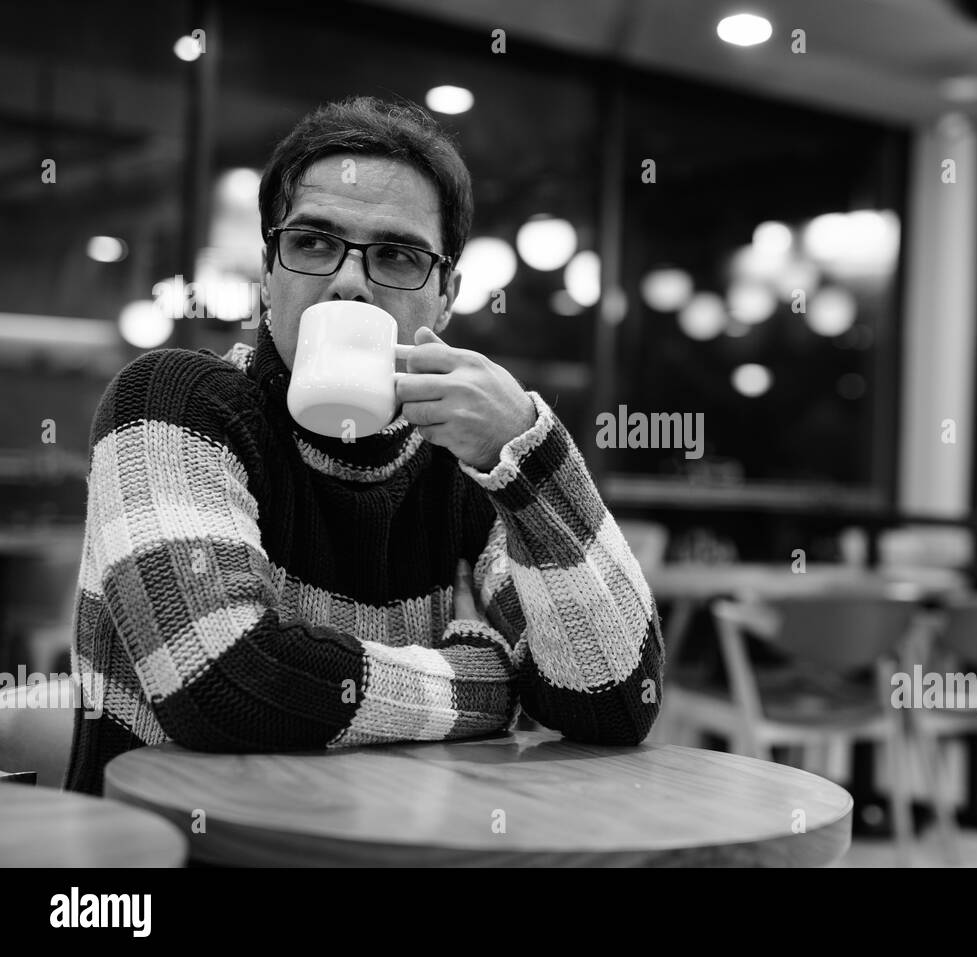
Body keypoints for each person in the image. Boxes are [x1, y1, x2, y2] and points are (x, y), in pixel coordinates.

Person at [64, 96, 663, 795]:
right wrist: (489, 684)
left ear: (444, 297)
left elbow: (617, 699)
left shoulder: (463, 461)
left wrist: (526, 450)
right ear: (267, 275)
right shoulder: (173, 403)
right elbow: (220, 680)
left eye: (397, 255)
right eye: (313, 243)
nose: (349, 281)